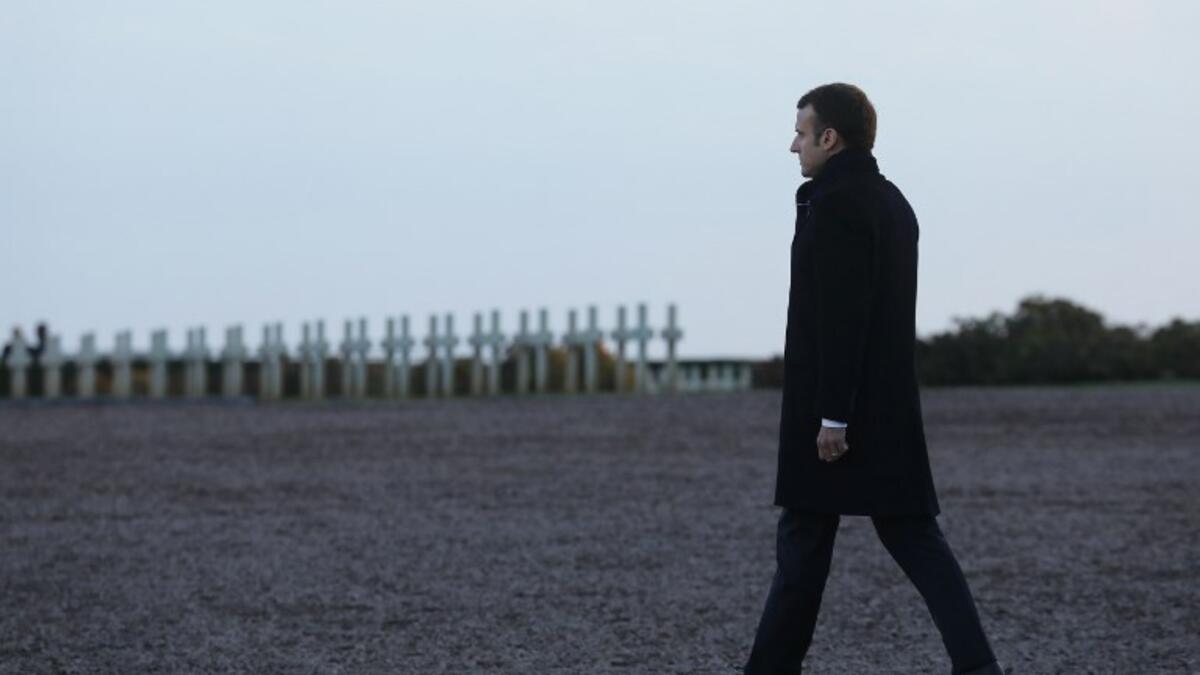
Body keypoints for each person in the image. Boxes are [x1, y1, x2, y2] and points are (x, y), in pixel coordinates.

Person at [742, 83, 1005, 675]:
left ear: (829, 138)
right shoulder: (891, 201)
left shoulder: (837, 205)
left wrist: (833, 415)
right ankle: (979, 668)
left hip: (835, 417)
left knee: (806, 548)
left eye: (801, 132)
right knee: (911, 539)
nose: (793, 146)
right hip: (886, 409)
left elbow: (843, 317)